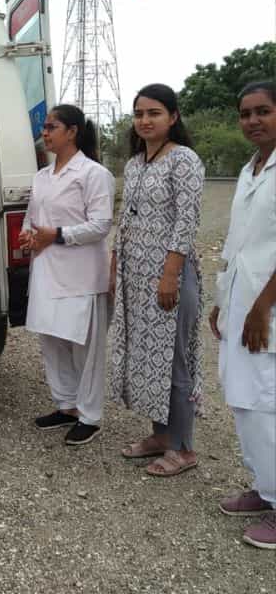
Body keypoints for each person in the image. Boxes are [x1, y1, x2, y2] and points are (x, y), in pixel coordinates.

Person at [109, 83, 205, 476]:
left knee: (173, 361)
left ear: (173, 117)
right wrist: (115, 266)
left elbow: (187, 220)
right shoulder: (135, 163)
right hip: (137, 278)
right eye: (139, 114)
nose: (145, 120)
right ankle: (161, 436)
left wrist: (170, 275)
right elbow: (126, 219)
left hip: (169, 276)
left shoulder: (184, 160)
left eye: (154, 113)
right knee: (148, 359)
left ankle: (183, 448)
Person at [20, 105, 115, 446]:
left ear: (72, 131)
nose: (44, 133)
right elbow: (32, 218)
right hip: (47, 271)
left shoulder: (93, 174)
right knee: (52, 341)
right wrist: (29, 236)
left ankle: (90, 416)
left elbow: (101, 224)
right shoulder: (42, 176)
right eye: (44, 127)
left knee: (83, 349)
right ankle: (66, 405)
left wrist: (58, 235)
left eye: (52, 127)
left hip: (81, 275)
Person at [208, 81, 276, 550]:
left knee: (264, 402)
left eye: (263, 111)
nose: (253, 120)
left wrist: (262, 306)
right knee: (242, 397)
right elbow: (238, 241)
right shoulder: (250, 169)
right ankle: (264, 485)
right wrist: (221, 298)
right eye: (246, 113)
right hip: (241, 298)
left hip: (266, 307)